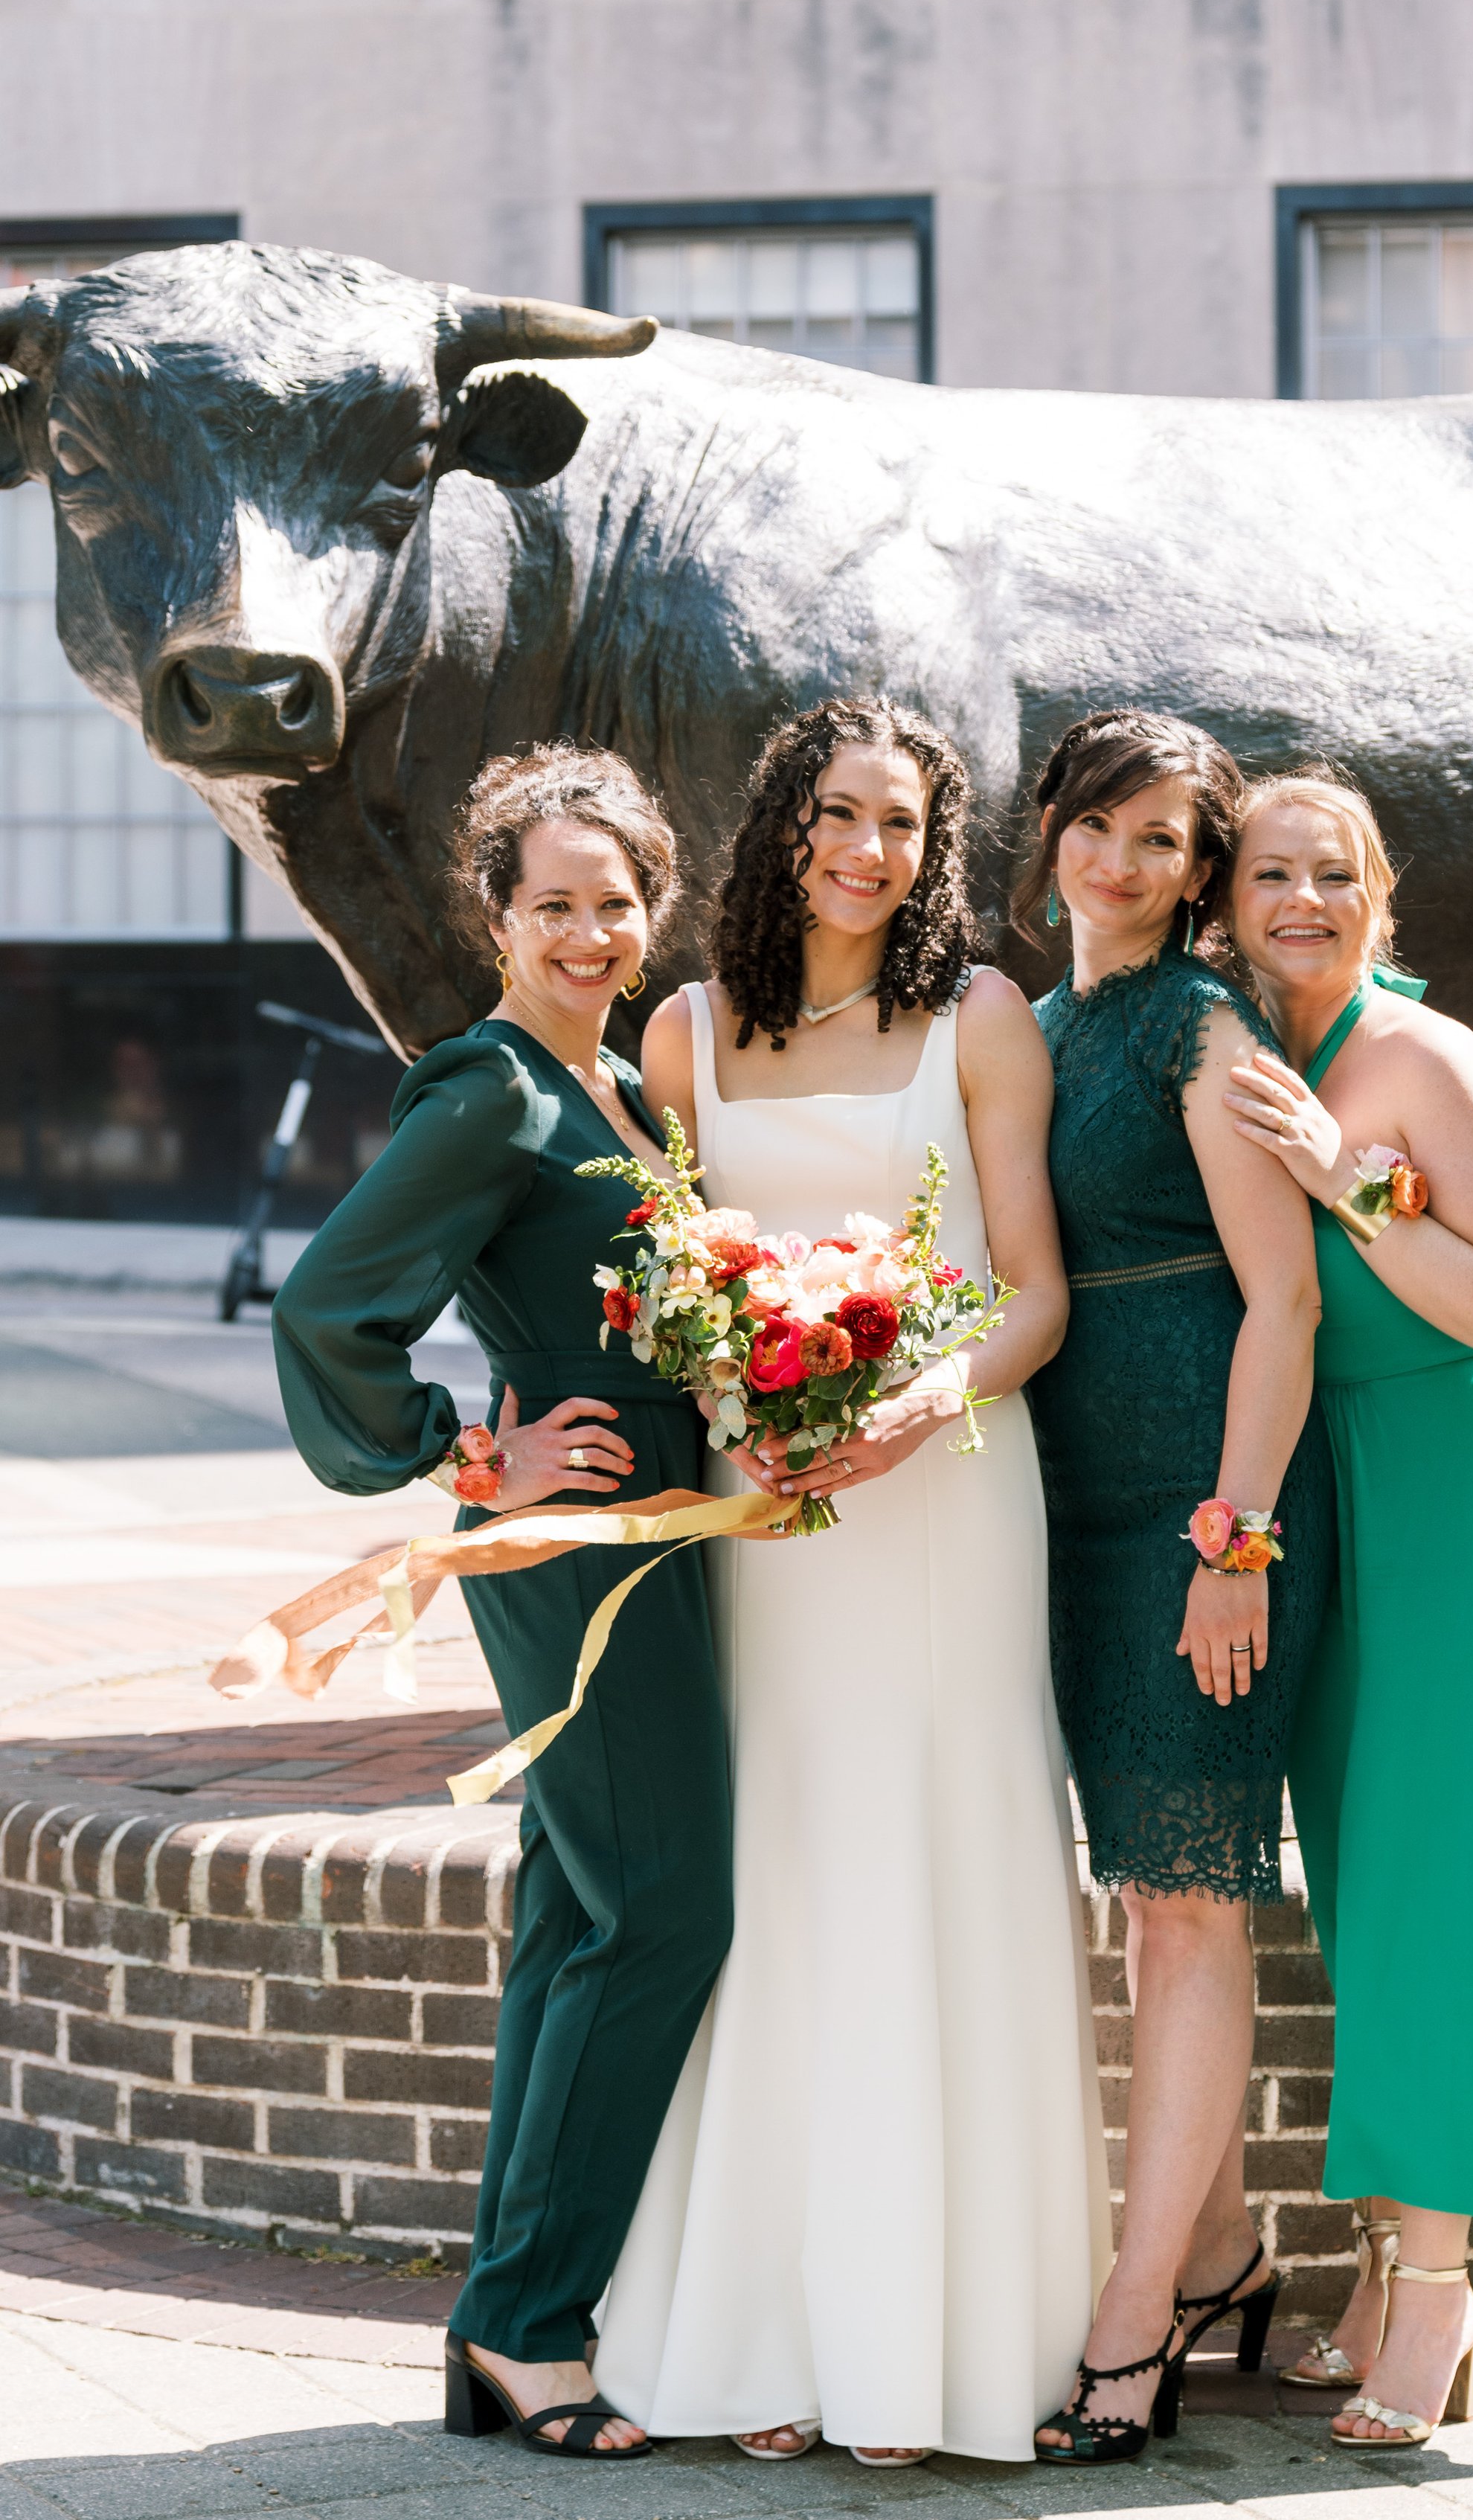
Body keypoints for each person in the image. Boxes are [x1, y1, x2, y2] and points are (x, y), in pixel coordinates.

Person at [593, 696, 1110, 2467]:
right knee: (782, 1871)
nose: (866, 850)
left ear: (932, 841)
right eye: (836, 814)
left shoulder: (980, 1019)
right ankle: (760, 2334)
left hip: (943, 1492)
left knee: (936, 1859)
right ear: (780, 825)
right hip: (765, 1515)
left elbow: (1031, 1287)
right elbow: (667, 1282)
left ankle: (945, 2344)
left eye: (900, 821)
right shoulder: (680, 1034)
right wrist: (738, 1390)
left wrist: (905, 1404)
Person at [272, 743, 729, 2462]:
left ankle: (510, 2318)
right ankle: (531, 2325)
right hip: (575, 1542)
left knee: (580, 1911)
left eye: (616, 902)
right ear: (496, 912)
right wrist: (466, 1452)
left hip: (668, 1526)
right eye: (554, 903)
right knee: (665, 1905)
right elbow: (329, 1312)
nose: (589, 929)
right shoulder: (487, 1088)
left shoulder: (617, 1082)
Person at [1221, 766, 1473, 2452]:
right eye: (1266, 874)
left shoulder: (1420, 1056)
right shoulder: (1253, 1045)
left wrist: (1346, 1178)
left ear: (1375, 894)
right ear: (1226, 898)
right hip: (1338, 1503)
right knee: (1374, 1894)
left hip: (1461, 1500)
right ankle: (1388, 2270)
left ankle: (1438, 2292)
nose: (1298, 899)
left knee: (1446, 1888)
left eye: (1330, 874)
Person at [1018, 711, 1335, 2466]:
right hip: (1060, 1510)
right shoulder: (1043, 1021)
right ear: (1049, 826)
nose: (1123, 863)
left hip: (1193, 1516)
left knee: (1184, 1901)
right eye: (1100, 824)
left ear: (1197, 877)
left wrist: (1233, 1538)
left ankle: (1135, 2319)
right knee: (1143, 1885)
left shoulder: (1198, 1030)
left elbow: (1276, 1302)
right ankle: (1218, 2252)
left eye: (1164, 842)